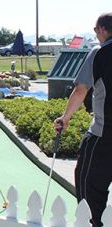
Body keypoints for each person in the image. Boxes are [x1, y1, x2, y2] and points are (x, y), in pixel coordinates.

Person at [55, 13, 112, 227]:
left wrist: (65, 118)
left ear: (103, 29)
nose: (96, 33)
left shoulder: (99, 53)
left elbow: (80, 90)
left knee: (89, 189)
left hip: (103, 137)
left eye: (96, 29)